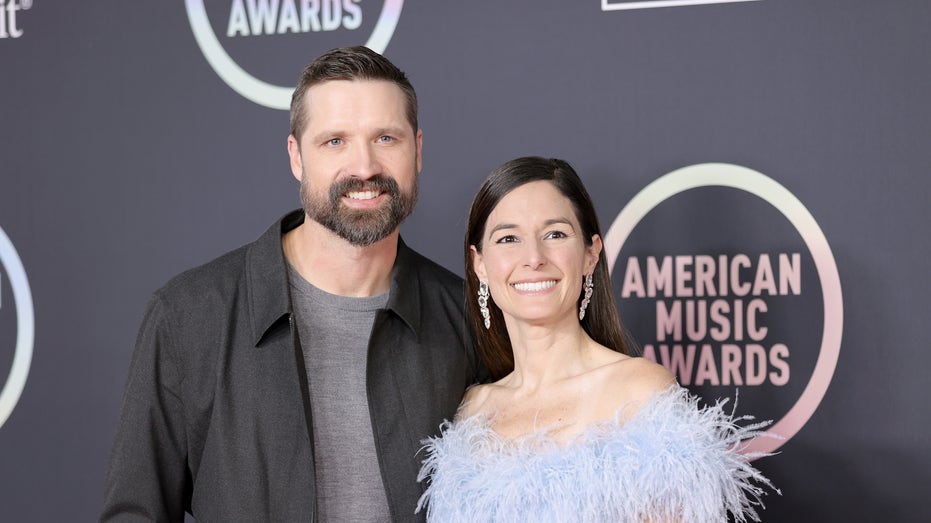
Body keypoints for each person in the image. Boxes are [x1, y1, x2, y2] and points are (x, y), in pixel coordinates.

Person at [101, 46, 484, 522]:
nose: (364, 167)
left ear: (418, 150)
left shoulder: (469, 318)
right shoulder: (187, 317)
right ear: (296, 157)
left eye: (386, 138)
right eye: (334, 142)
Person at [417, 157, 776, 522]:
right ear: (479, 264)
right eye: (508, 238)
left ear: (591, 254)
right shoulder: (471, 411)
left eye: (555, 234)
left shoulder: (639, 391)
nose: (533, 258)